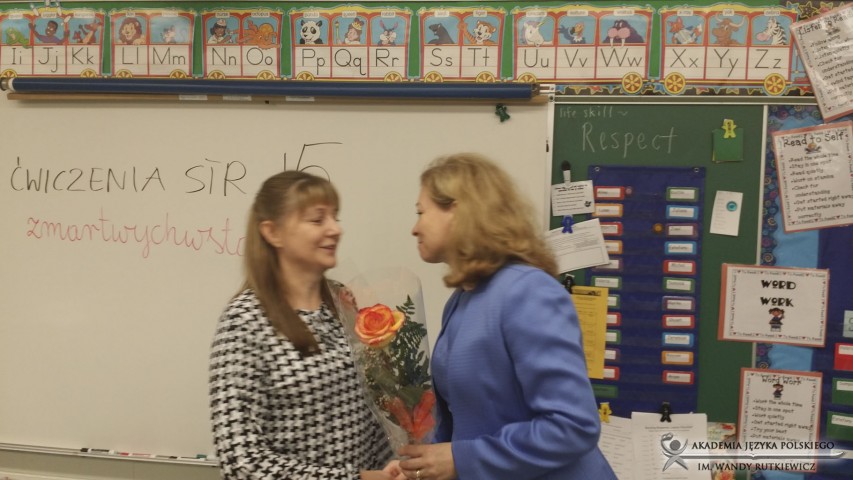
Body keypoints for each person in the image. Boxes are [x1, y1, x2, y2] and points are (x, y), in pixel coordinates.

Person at [398, 153, 617, 480]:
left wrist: (460, 459)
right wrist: (420, 466)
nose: (414, 228)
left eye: (421, 212)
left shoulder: (528, 291)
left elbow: (573, 426)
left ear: (457, 210)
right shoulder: (461, 301)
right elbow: (466, 424)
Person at [209, 170, 397, 480]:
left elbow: (373, 414)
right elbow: (241, 461)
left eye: (335, 217)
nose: (335, 229)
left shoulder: (343, 302)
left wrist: (395, 466)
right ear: (273, 233)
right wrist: (358, 479)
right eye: (317, 219)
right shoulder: (244, 320)